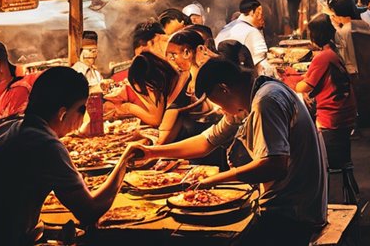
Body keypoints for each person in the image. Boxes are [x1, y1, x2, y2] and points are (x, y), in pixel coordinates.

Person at [131, 59, 328, 246]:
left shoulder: (265, 101)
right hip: (292, 205)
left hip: (292, 214)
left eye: (217, 102)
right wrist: (151, 152)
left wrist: (213, 180)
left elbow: (274, 166)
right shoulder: (248, 98)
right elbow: (205, 142)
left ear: (224, 89)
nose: (220, 109)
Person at [0, 67, 139, 246]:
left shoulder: (5, 125)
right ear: (62, 113)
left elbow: (4, 207)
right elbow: (89, 211)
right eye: (81, 108)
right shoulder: (45, 144)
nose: (83, 116)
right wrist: (125, 161)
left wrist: (49, 232)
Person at [295, 14, 358, 200]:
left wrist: (296, 81)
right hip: (345, 114)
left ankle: (321, 199)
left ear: (315, 37)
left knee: (307, 154)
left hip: (333, 117)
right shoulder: (332, 52)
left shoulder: (323, 57)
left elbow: (304, 87)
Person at [216, 0, 270, 72]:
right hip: (242, 78)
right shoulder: (253, 33)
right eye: (260, 14)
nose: (263, 20)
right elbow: (262, 67)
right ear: (252, 13)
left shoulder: (226, 28)